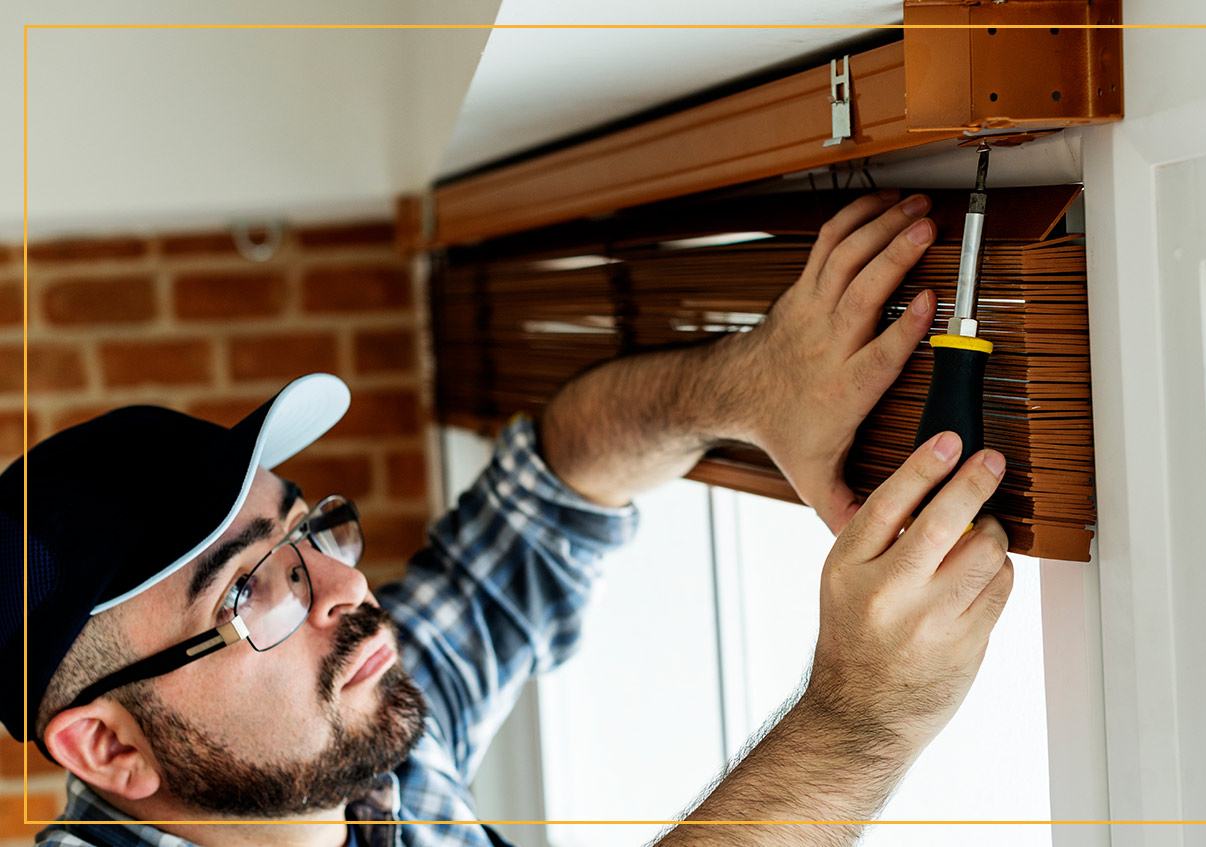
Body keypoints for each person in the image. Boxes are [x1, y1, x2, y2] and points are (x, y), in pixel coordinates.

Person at [0, 190, 1013, 847]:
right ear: (109, 748)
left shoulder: (357, 742)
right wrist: (859, 717)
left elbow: (556, 480)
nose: (346, 591)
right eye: (247, 589)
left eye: (308, 534)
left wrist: (748, 385)